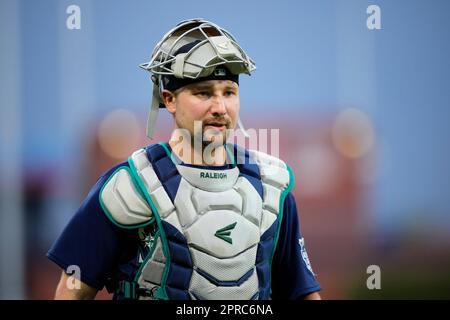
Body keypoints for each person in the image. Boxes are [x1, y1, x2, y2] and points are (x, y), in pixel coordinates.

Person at [47, 18, 321, 300]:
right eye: (203, 93)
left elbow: (302, 292)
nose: (220, 107)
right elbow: (72, 291)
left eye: (229, 92)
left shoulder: (271, 187)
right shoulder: (129, 186)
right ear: (169, 100)